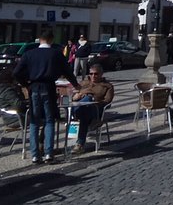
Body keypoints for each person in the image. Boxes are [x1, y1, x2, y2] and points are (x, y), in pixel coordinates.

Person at [14, 31, 79, 164]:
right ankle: (49, 153)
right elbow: (67, 71)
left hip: (34, 87)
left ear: (39, 39)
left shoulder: (29, 54)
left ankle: (34, 155)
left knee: (34, 121)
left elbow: (16, 72)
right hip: (48, 87)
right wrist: (76, 85)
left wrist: (26, 84)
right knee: (50, 120)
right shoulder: (56, 54)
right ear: (51, 39)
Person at [70, 63, 114, 154]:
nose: (93, 76)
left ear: (101, 74)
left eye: (96, 74)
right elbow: (73, 96)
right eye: (91, 73)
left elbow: (107, 101)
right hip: (82, 109)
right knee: (83, 115)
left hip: (95, 110)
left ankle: (79, 142)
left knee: (87, 103)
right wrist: (76, 96)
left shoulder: (107, 86)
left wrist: (94, 100)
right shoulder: (84, 83)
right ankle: (79, 144)